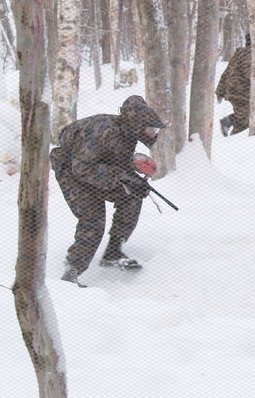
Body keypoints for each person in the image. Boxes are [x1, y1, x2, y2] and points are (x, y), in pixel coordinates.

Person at [50, 95, 168, 287]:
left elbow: (115, 162)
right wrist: (121, 179)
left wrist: (135, 181)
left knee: (132, 196)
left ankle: (113, 252)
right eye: (150, 128)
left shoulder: (127, 133)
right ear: (137, 124)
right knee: (93, 217)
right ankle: (71, 273)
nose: (153, 133)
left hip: (92, 171)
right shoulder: (103, 129)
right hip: (70, 172)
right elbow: (82, 168)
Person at [216, 35, 252, 137]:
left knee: (244, 116)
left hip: (235, 91)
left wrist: (220, 91)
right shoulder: (249, 54)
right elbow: (251, 73)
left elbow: (227, 72)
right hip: (241, 92)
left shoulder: (240, 53)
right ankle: (236, 142)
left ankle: (228, 121)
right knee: (244, 122)